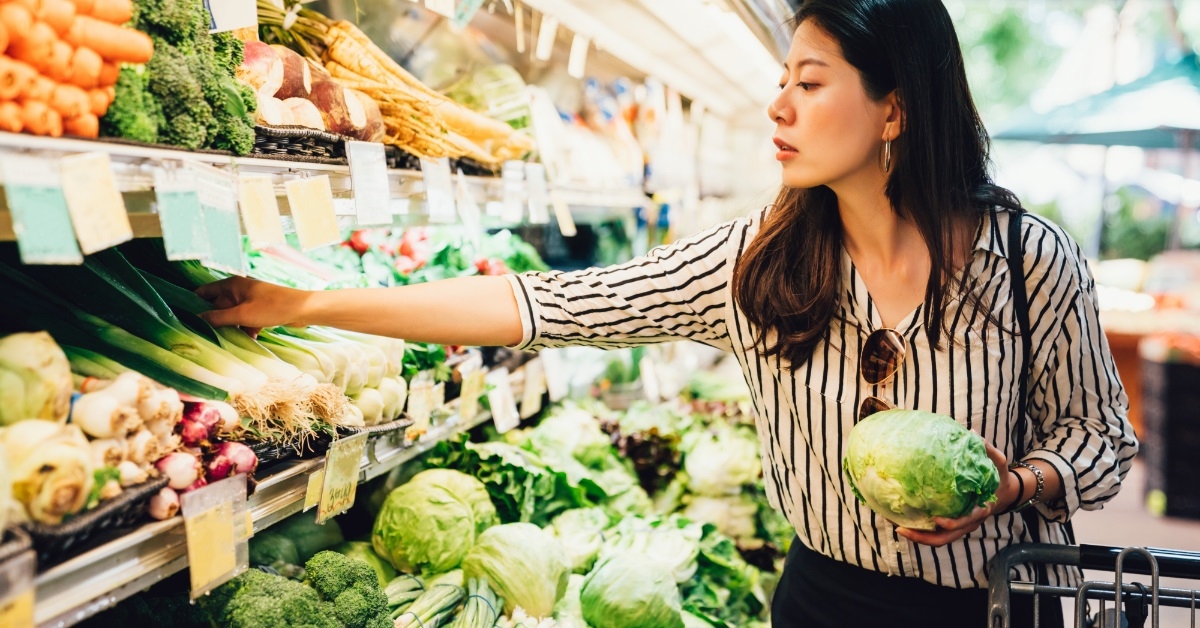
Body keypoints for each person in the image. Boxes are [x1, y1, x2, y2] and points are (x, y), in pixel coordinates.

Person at [197, 0, 1137, 625]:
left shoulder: (1027, 261)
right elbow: (550, 302)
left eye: (810, 83)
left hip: (1001, 604)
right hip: (825, 601)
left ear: (894, 110)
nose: (779, 105)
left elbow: (1101, 438)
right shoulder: (758, 264)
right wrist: (307, 300)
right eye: (782, 80)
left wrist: (1010, 487)